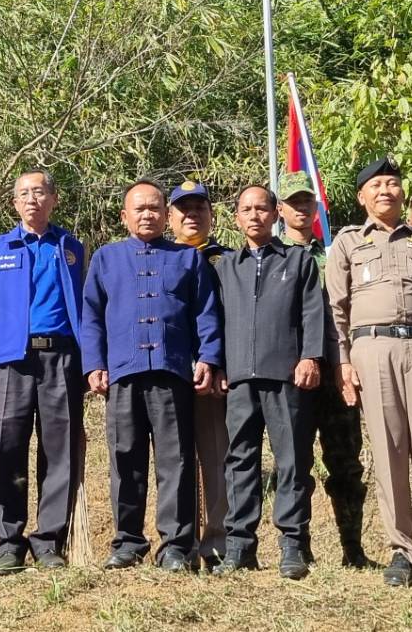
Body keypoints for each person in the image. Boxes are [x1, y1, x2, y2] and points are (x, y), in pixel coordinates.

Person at [326, 158, 412, 588]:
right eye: (376, 185)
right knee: (389, 452)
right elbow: (336, 309)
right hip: (372, 350)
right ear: (361, 197)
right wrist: (343, 362)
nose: (386, 190)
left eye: (392, 183)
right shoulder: (348, 242)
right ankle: (403, 550)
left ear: (403, 193)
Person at [80, 180, 223, 573]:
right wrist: (94, 364)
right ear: (124, 216)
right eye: (139, 209)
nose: (147, 215)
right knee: (125, 459)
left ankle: (177, 546)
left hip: (171, 372)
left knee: (175, 461)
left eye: (154, 208)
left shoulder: (187, 259)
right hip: (122, 373)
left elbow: (206, 314)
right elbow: (91, 316)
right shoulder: (106, 259)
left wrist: (208, 358)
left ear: (166, 215)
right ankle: (128, 543)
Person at [0, 170, 87, 575]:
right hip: (9, 360)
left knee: (59, 450)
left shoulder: (71, 247)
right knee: (7, 447)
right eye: (24, 193)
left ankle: (49, 541)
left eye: (39, 192)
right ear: (15, 203)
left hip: (61, 358)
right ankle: (8, 543)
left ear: (53, 199)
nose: (32, 199)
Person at [213, 185, 324, 580]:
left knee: (292, 460)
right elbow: (215, 322)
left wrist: (310, 356)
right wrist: (217, 365)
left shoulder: (298, 260)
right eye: (246, 209)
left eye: (262, 208)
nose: (255, 215)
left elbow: (313, 312)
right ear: (236, 218)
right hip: (240, 378)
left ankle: (293, 544)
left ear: (276, 214)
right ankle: (240, 546)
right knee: (240, 461)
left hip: (286, 375)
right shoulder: (226, 266)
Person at [276, 171, 368, 567]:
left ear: (316, 207)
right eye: (292, 202)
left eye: (306, 201)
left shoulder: (333, 254)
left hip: (335, 371)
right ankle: (298, 546)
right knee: (295, 463)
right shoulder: (272, 255)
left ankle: (352, 548)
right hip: (290, 373)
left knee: (346, 462)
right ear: (280, 209)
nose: (301, 208)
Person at [168, 179, 230, 569]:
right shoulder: (159, 258)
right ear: (170, 217)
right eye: (183, 209)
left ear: (211, 215)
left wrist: (221, 363)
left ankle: (217, 544)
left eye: (199, 208)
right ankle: (180, 544)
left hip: (212, 378)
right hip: (169, 374)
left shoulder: (228, 261)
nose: (192, 215)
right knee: (174, 462)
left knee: (215, 458)